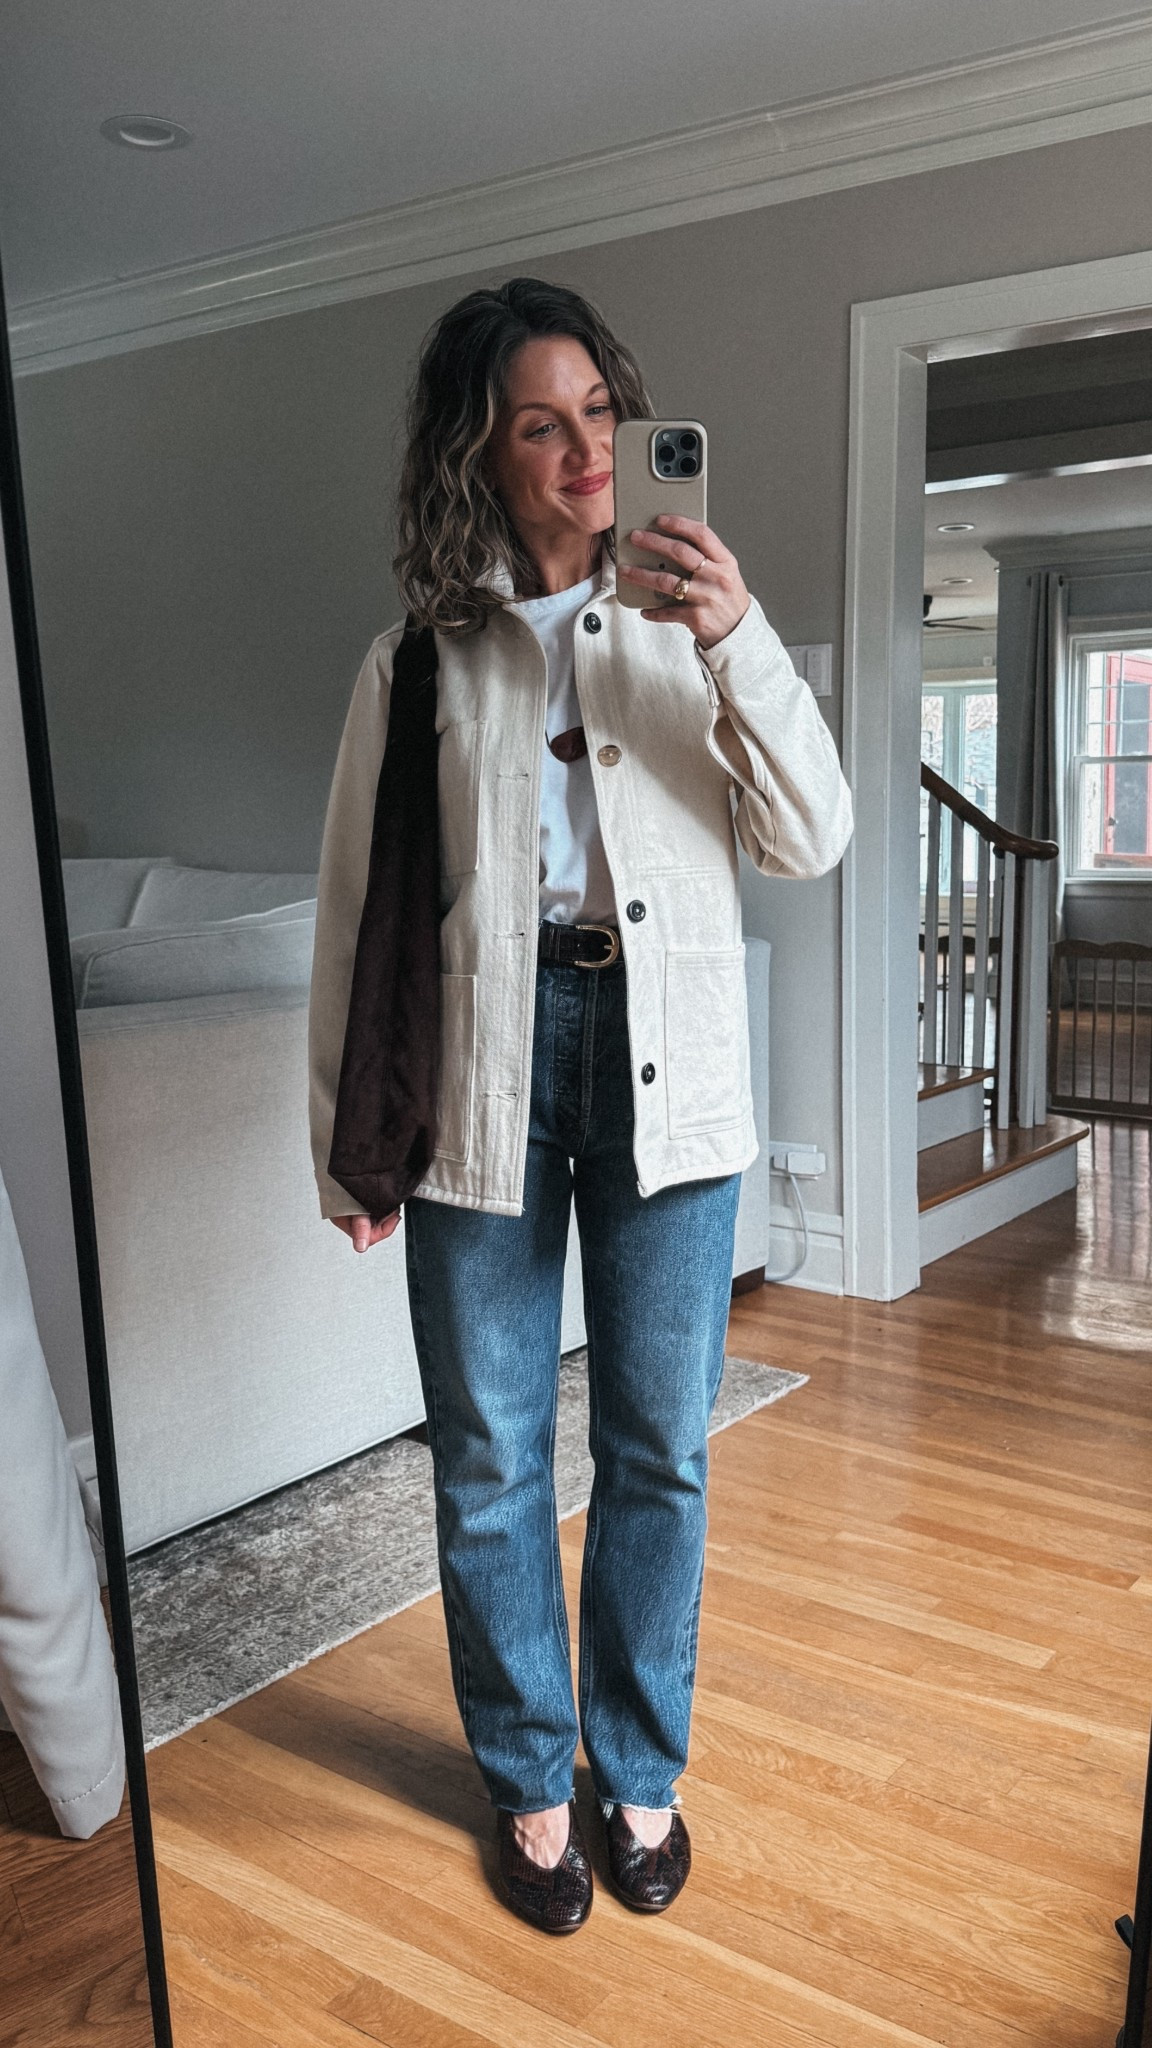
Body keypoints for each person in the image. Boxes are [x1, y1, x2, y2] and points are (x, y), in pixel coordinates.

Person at [308, 276, 853, 1935]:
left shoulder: (694, 627)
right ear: (480, 451)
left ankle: (640, 1770)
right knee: (484, 1447)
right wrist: (350, 1134)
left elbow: (812, 837)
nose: (583, 452)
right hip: (484, 1061)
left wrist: (737, 636)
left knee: (655, 1447)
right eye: (540, 424)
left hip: (664, 1063)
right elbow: (358, 911)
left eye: (600, 416)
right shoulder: (416, 659)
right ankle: (533, 1781)